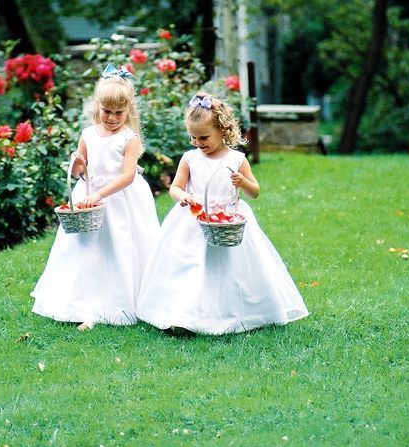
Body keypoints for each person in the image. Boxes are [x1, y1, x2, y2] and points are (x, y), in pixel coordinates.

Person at [137, 92, 309, 334]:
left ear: (222, 130)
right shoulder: (189, 159)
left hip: (228, 221)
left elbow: (255, 191)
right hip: (194, 219)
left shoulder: (237, 159)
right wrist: (182, 196)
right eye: (193, 137)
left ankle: (234, 313)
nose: (198, 142)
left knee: (227, 270)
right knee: (191, 267)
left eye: (204, 137)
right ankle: (184, 317)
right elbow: (175, 187)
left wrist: (242, 182)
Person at [31, 64, 160, 330]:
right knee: (87, 252)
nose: (112, 118)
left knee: (119, 249)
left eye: (119, 113)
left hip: (120, 200)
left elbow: (127, 176)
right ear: (97, 107)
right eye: (107, 111)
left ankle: (122, 303)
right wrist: (77, 163)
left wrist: (100, 194)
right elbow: (82, 171)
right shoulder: (88, 134)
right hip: (89, 198)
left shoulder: (129, 138)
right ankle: (84, 304)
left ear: (128, 111)